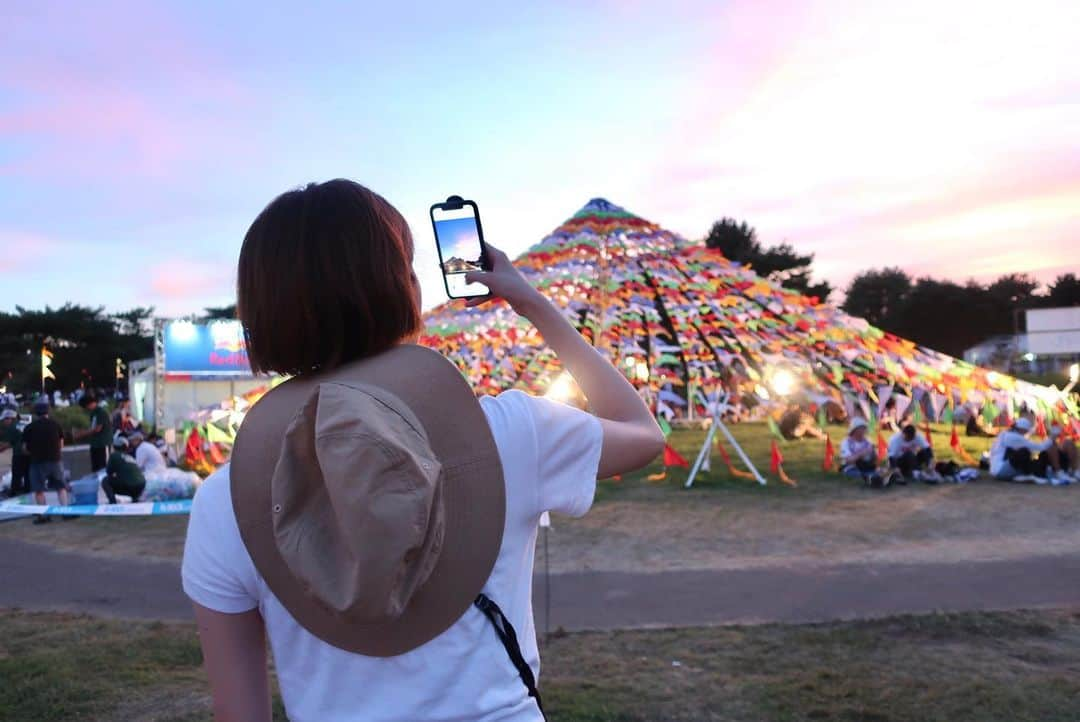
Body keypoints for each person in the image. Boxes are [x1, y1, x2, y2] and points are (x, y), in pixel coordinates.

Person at [181, 179, 665, 722]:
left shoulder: (227, 501)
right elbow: (642, 433)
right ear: (404, 287)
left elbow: (238, 713)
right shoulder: (510, 433)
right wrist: (530, 302)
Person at [21, 401, 71, 524]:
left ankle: (44, 516)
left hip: (37, 461)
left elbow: (24, 448)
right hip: (55, 460)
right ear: (48, 412)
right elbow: (61, 444)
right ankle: (65, 512)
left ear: (35, 413)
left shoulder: (30, 427)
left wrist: (32, 453)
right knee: (61, 487)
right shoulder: (56, 424)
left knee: (39, 490)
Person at [989, 417, 1056, 483]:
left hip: (997, 470)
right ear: (1023, 429)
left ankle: (1022, 475)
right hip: (1002, 471)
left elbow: (1024, 438)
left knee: (1026, 454)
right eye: (1026, 431)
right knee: (1024, 452)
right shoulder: (1014, 437)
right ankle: (1028, 474)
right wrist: (1052, 437)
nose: (1026, 432)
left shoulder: (1005, 434)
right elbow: (1039, 447)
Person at [75, 392, 112, 472]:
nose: (86, 409)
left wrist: (82, 434)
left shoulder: (101, 412)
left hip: (103, 443)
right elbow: (92, 427)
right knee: (95, 467)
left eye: (86, 406)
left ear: (91, 403)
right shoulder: (93, 413)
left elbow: (97, 428)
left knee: (103, 467)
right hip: (95, 444)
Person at [103, 434, 146, 503]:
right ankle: (135, 499)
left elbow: (109, 472)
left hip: (130, 486)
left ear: (114, 446)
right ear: (126, 447)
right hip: (141, 485)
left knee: (105, 480)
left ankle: (112, 502)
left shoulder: (114, 455)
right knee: (130, 480)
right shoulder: (130, 457)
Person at [840, 417, 883, 486]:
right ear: (855, 430)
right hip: (852, 467)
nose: (865, 430)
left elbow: (875, 459)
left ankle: (877, 477)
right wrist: (863, 453)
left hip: (867, 466)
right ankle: (873, 478)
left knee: (880, 471)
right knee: (865, 474)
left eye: (865, 428)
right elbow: (848, 460)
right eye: (862, 428)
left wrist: (874, 453)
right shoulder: (846, 442)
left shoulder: (868, 441)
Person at [0, 409, 30, 497]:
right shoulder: (24, 424)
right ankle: (27, 491)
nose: (3, 422)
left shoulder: (12, 428)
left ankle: (14, 493)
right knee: (27, 474)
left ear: (11, 418)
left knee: (16, 474)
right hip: (29, 454)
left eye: (5, 420)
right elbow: (15, 441)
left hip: (19, 454)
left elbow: (7, 444)